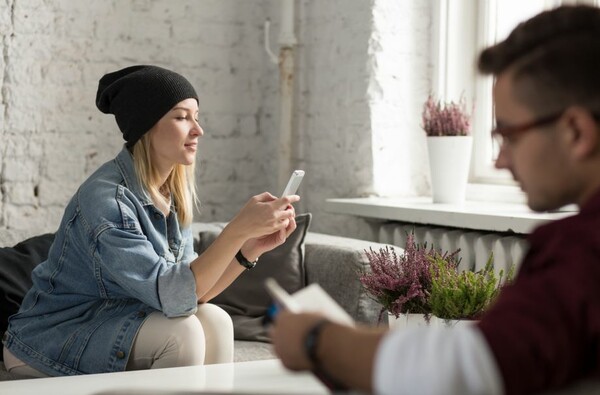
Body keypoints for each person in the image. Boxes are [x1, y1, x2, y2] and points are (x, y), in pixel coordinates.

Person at [270, 5, 600, 395]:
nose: (499, 159)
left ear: (576, 131)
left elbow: (471, 366)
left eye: (509, 134)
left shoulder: (584, 249)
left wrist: (316, 340)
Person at [2, 65, 299, 377]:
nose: (198, 130)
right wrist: (235, 230)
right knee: (183, 333)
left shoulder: (170, 193)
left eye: (196, 117)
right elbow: (172, 296)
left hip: (115, 318)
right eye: (182, 117)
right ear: (147, 126)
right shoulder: (107, 201)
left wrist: (248, 248)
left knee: (216, 320)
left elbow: (192, 295)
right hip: (53, 338)